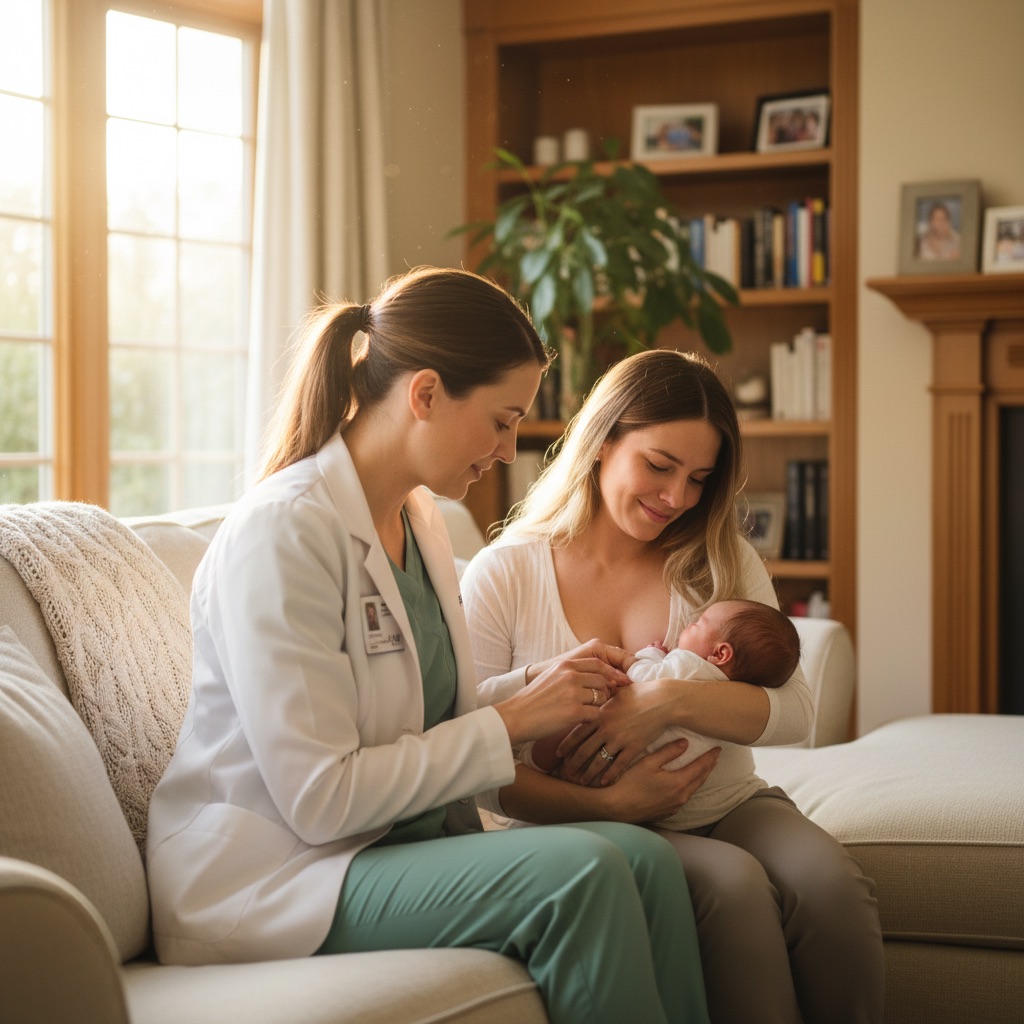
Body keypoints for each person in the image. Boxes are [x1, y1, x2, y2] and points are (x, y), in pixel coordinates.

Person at [145, 267, 709, 1024]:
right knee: (587, 875)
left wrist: (537, 689)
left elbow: (414, 718)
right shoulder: (284, 533)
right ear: (426, 394)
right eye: (502, 421)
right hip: (276, 878)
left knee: (647, 862)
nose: (509, 451)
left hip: (384, 847)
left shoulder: (419, 520)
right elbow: (322, 799)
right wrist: (511, 722)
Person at [462, 348, 884, 1024]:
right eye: (659, 466)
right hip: (573, 818)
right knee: (732, 886)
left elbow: (796, 712)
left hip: (726, 801)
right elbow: (476, 762)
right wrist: (609, 803)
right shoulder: (504, 574)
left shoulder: (718, 556)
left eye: (699, 479)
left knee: (829, 885)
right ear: (603, 441)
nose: (678, 498)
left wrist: (665, 700)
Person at [521, 600, 801, 832]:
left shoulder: (690, 665)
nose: (688, 625)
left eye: (698, 624)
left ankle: (533, 761)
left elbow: (645, 677)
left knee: (573, 727)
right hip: (673, 790)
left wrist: (645, 656)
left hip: (634, 772)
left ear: (720, 653)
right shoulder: (732, 691)